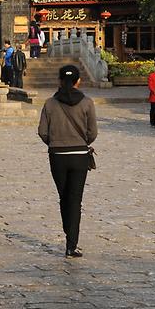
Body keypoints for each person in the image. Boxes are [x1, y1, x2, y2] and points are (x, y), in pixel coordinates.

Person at [38, 65, 98, 258]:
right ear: (78, 81)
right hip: (80, 155)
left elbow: (42, 131)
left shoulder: (49, 104)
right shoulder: (87, 103)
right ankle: (72, 243)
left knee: (64, 196)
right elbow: (93, 133)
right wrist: (81, 142)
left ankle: (68, 232)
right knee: (75, 199)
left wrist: (55, 142)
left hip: (57, 156)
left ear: (60, 80)